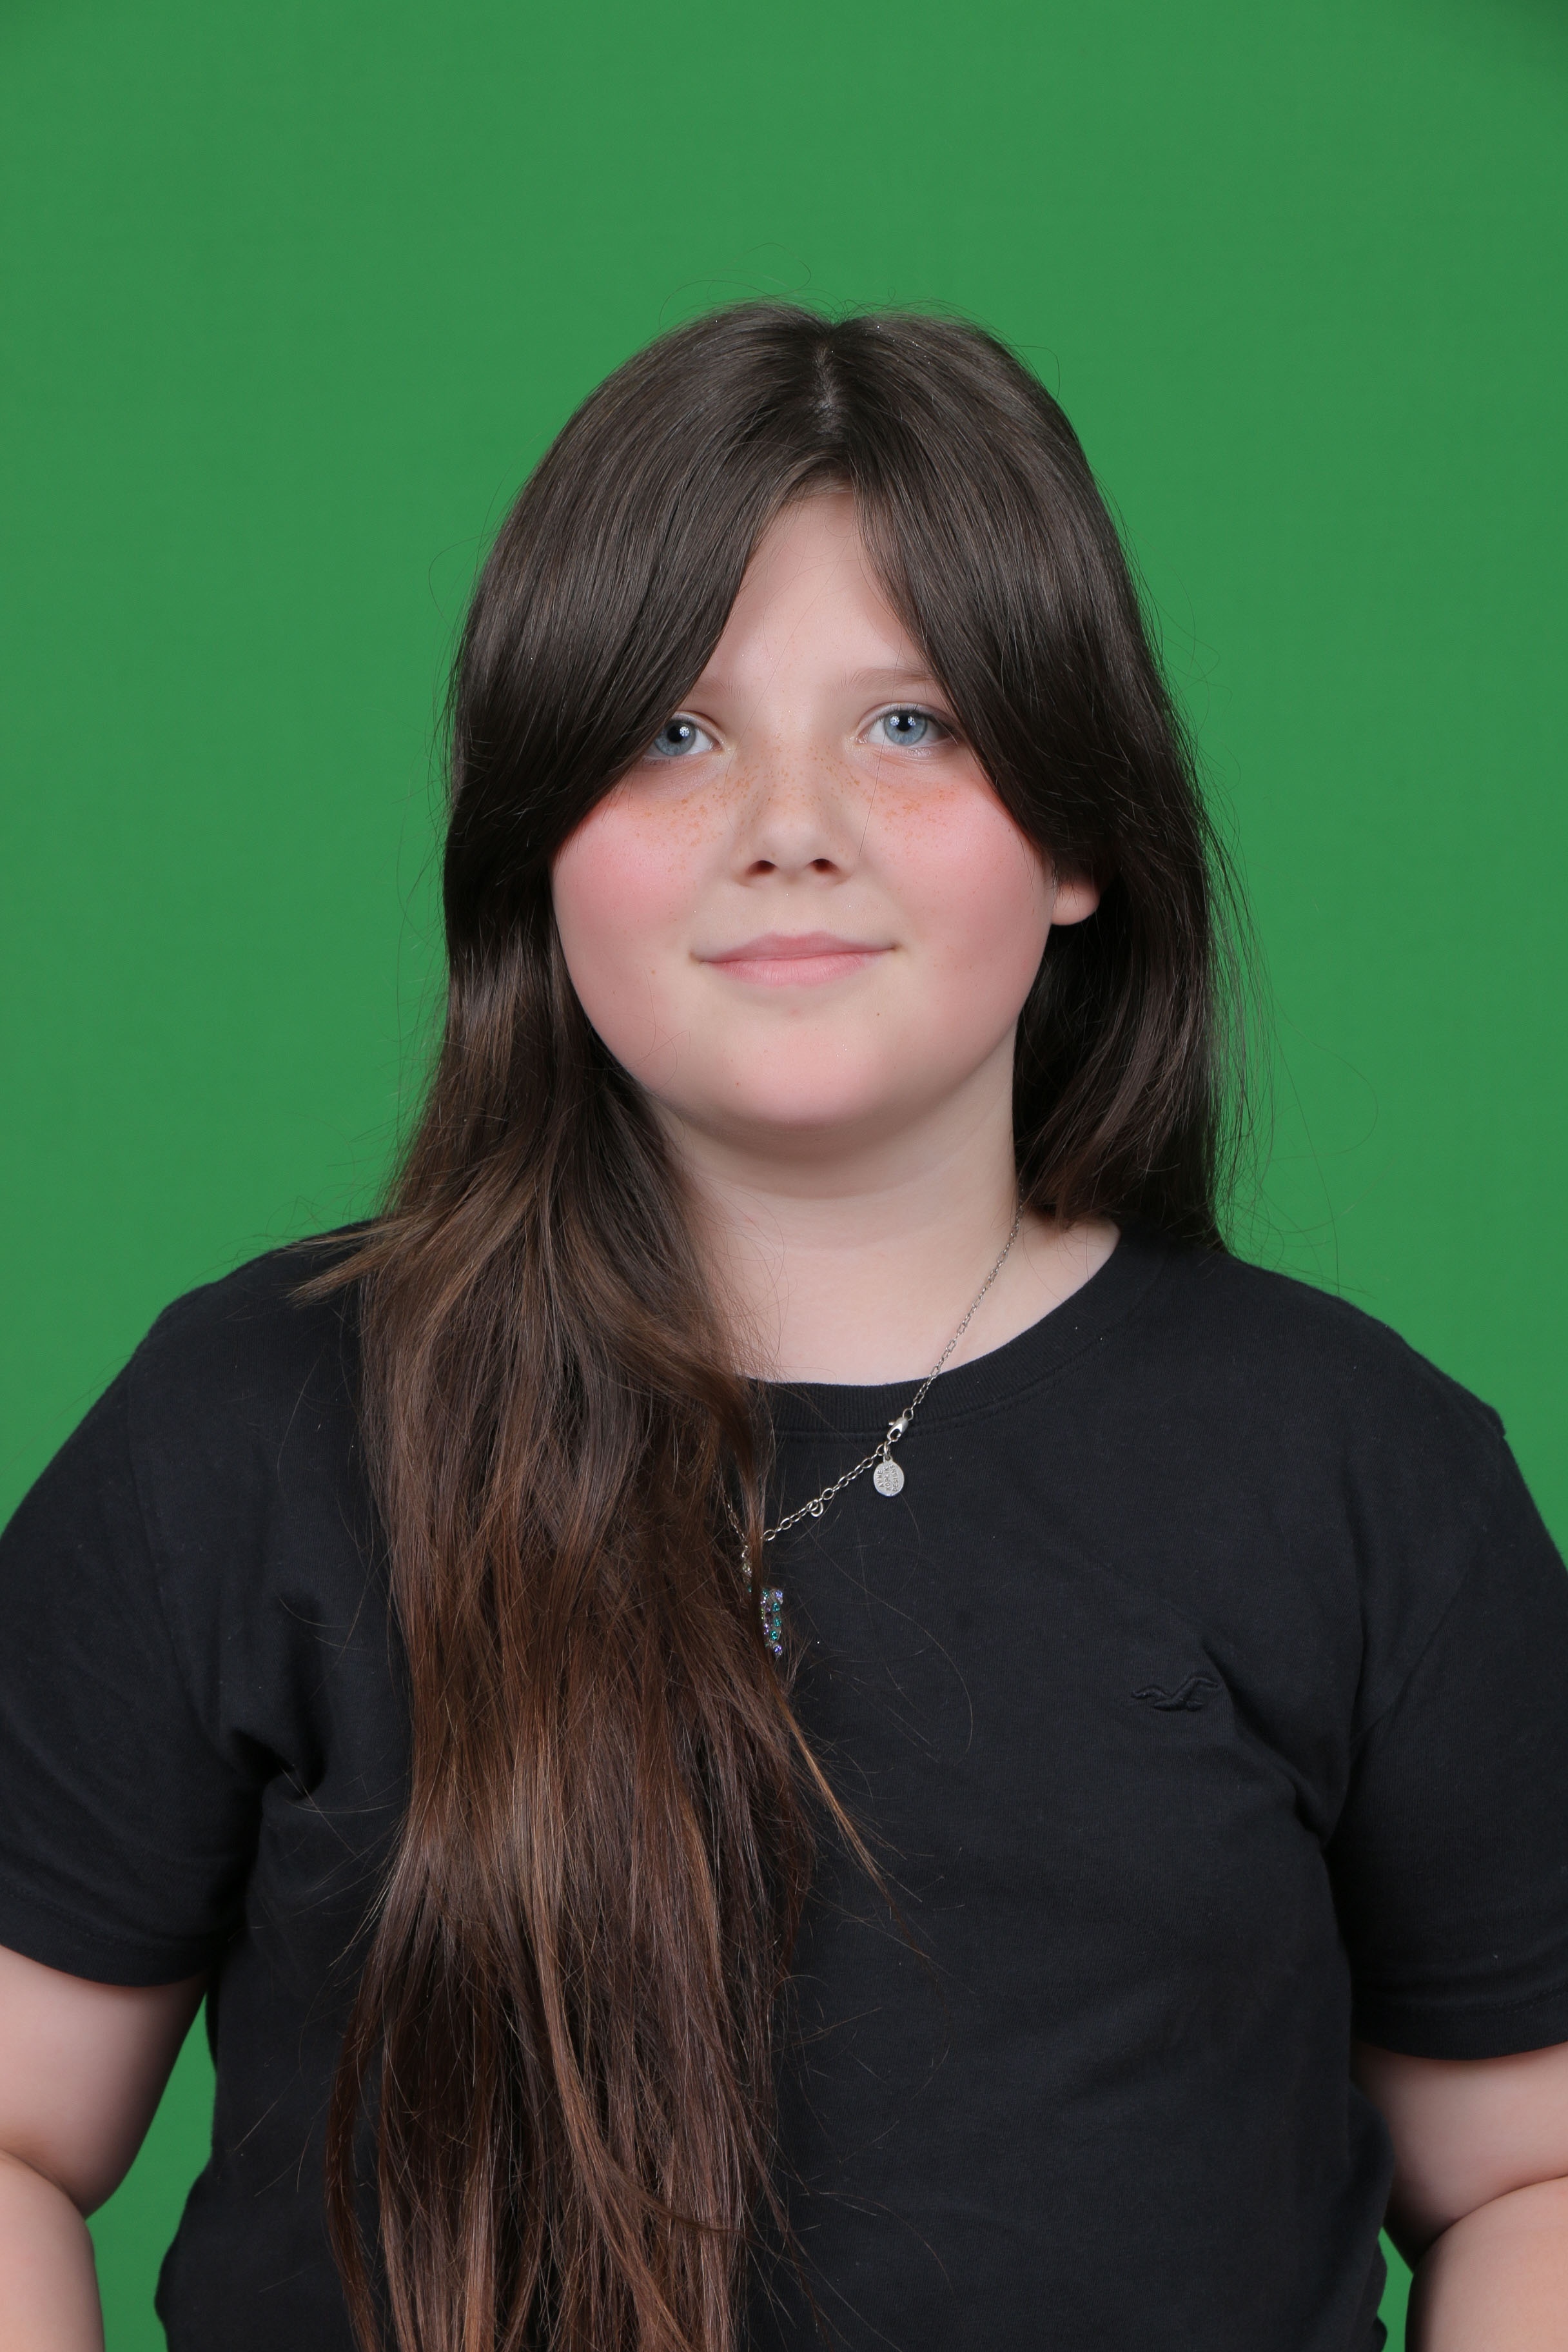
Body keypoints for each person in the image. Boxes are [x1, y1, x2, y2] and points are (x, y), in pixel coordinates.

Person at [1, 305, 1566, 2352]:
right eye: (675, 730)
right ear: (539, 840)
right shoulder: (247, 1425)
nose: (789, 822)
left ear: (1083, 837)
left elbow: (1528, 2172)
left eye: (910, 724)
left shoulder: (1362, 1471)